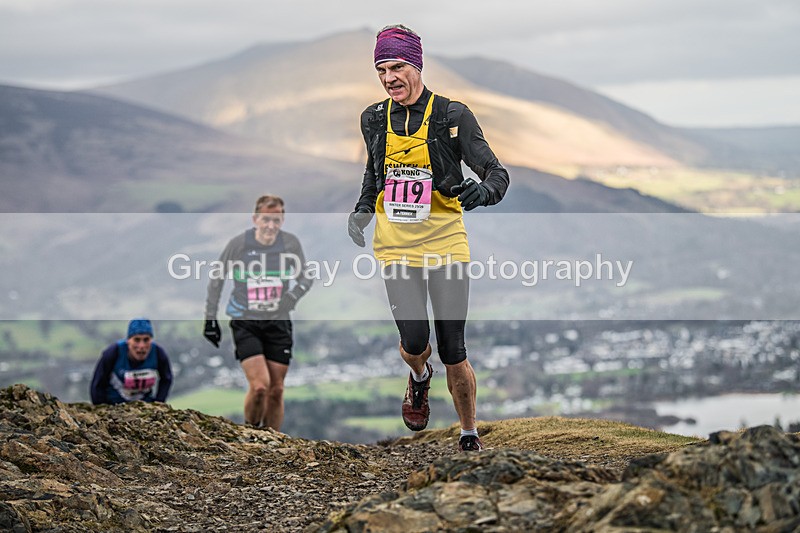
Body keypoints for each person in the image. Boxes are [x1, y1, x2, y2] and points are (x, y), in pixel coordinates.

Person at [347, 25, 510, 452]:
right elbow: (374, 171)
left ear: (416, 64)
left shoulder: (452, 117)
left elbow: (497, 174)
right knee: (416, 340)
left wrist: (484, 192)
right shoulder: (373, 118)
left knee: (453, 348)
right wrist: (364, 208)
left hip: (445, 243)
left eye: (396, 66)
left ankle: (469, 433)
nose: (388, 77)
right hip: (396, 245)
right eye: (381, 69)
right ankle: (419, 377)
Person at [203, 195, 313, 431]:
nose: (271, 225)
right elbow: (217, 278)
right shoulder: (239, 244)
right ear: (255, 219)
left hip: (278, 323)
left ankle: (273, 439)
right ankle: (251, 433)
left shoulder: (290, 244)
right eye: (266, 219)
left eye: (277, 220)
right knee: (260, 387)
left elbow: (306, 276)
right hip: (246, 321)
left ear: (282, 220)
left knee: (276, 390)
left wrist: (292, 297)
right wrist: (210, 318)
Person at [90, 318, 173, 405]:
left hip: (144, 407)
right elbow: (97, 384)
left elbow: (167, 378)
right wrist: (102, 409)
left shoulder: (158, 353)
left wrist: (158, 402)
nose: (141, 346)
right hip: (114, 406)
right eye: (137, 340)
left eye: (146, 340)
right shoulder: (113, 353)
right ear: (128, 341)